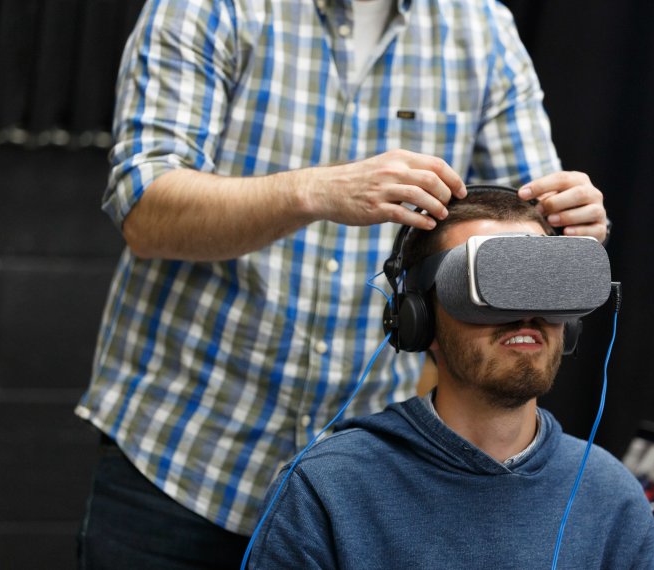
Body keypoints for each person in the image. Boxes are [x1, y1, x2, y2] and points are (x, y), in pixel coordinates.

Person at [75, 0, 610, 566]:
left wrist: (573, 227)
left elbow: (532, 233)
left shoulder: (482, 28)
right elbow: (144, 212)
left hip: (364, 494)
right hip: (181, 462)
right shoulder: (209, 8)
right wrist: (314, 192)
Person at [247, 189, 654, 569]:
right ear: (418, 321)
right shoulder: (326, 491)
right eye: (492, 284)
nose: (525, 314)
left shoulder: (610, 497)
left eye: (540, 280)